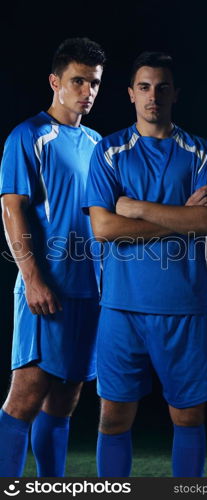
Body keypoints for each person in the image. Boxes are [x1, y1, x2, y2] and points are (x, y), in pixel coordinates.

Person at [84, 51, 207, 477]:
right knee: (113, 418)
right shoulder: (109, 151)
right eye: (144, 87)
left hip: (184, 305)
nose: (153, 96)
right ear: (130, 94)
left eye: (162, 87)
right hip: (122, 307)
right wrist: (180, 218)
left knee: (188, 417)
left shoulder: (200, 152)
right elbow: (105, 229)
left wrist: (138, 208)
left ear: (175, 94)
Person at [0, 37, 105, 477]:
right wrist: (34, 279)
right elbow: (11, 208)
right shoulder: (29, 135)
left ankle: (51, 486)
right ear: (55, 82)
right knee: (26, 395)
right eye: (78, 81)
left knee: (66, 399)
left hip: (91, 291)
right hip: (47, 287)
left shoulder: (98, 142)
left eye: (94, 83)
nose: (87, 91)